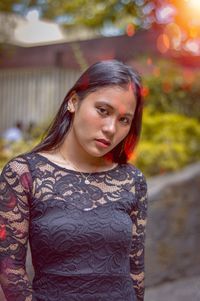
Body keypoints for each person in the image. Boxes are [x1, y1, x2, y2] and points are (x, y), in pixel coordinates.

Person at [0, 60, 148, 301]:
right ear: (73, 102)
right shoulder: (24, 173)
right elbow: (10, 269)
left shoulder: (132, 180)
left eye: (124, 120)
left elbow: (136, 272)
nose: (111, 128)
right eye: (103, 110)